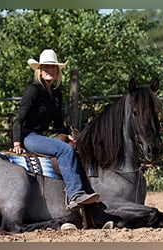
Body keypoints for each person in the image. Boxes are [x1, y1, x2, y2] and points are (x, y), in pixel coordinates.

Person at [12, 49, 100, 210]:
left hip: (42, 136)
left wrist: (69, 135)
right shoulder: (33, 90)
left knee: (75, 146)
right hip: (28, 135)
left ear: (57, 71)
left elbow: (59, 122)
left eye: (53, 67)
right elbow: (19, 118)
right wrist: (17, 142)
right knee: (65, 150)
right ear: (39, 70)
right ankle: (75, 194)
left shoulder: (56, 93)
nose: (49, 70)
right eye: (46, 67)